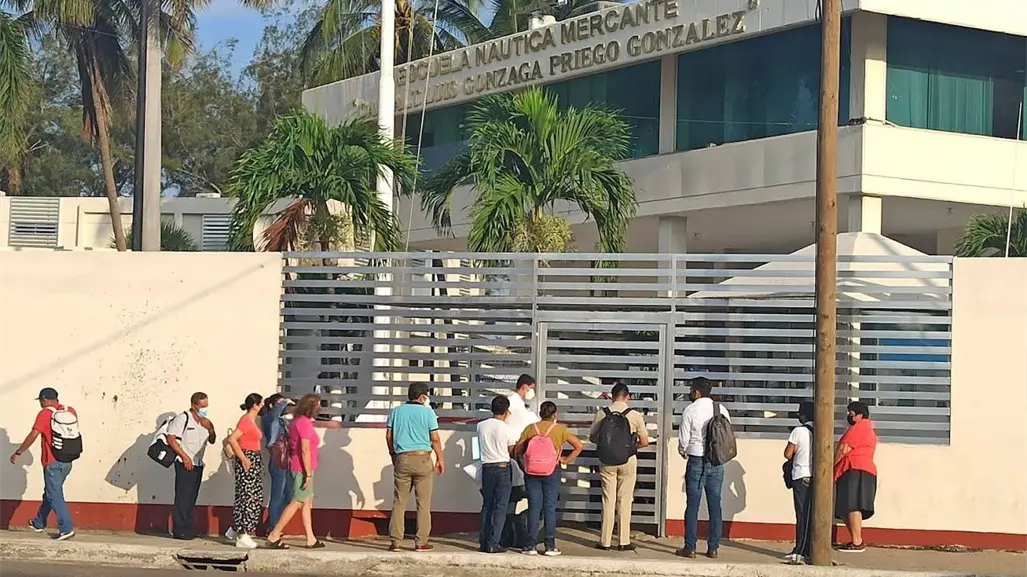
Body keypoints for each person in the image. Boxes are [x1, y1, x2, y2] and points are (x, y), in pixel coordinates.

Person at [9, 387, 79, 540]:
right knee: (51, 491)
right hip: (67, 461)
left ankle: (66, 528)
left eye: (40, 401)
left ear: (44, 399)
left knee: (55, 494)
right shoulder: (70, 411)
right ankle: (38, 522)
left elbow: (34, 434)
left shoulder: (45, 414)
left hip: (52, 462)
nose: (40, 404)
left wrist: (18, 452)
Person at [515, 401, 583, 557]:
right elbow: (579, 446)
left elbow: (518, 449)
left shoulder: (531, 428)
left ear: (540, 413)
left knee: (534, 507)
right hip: (552, 470)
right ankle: (550, 546)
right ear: (555, 415)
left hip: (532, 472)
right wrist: (566, 460)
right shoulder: (560, 430)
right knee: (549, 508)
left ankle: (530, 545)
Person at [590, 382, 649, 552]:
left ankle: (605, 541)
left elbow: (593, 437)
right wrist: (629, 447)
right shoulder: (635, 415)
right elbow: (644, 442)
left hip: (606, 461)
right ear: (627, 397)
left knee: (608, 500)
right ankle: (623, 541)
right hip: (628, 460)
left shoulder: (602, 413)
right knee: (624, 500)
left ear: (612, 395)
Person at [676, 377, 731, 559]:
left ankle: (689, 547)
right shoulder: (721, 409)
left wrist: (683, 451)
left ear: (696, 392)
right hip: (716, 462)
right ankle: (713, 547)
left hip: (696, 460)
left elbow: (683, 440)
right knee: (715, 504)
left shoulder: (690, 410)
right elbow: (727, 435)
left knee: (693, 505)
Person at [387, 382, 444, 552]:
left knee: (399, 502)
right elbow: (434, 438)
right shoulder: (428, 413)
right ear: (422, 397)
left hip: (402, 459)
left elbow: (389, 436)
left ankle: (395, 541)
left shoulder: (396, 412)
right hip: (423, 459)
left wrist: (393, 455)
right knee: (423, 504)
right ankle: (421, 542)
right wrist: (440, 458)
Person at [266, 393, 325, 549]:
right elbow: (304, 449)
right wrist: (308, 474)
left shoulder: (296, 421)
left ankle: (311, 538)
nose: (319, 409)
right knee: (297, 501)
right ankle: (274, 534)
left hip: (300, 466)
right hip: (302, 468)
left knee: (307, 502)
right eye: (317, 406)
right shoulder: (304, 423)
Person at [166, 392, 216, 541]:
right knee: (183, 497)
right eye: (202, 406)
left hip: (198, 463)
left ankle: (188, 527)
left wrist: (211, 428)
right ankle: (179, 529)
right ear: (194, 405)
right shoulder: (183, 418)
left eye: (206, 406)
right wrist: (184, 456)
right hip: (185, 463)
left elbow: (212, 440)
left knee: (191, 498)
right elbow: (171, 439)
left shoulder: (205, 421)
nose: (204, 409)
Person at [476, 395, 518, 553]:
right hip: (502, 468)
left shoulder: (481, 426)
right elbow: (511, 450)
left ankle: (483, 541)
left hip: (487, 467)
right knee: (501, 507)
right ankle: (494, 542)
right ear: (506, 411)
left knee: (487, 505)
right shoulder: (507, 429)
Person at [834, 401, 878, 553]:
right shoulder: (867, 429)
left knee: (852, 504)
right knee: (847, 506)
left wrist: (831, 465)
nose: (848, 416)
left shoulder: (860, 427)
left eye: (850, 413)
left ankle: (857, 541)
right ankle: (855, 539)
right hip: (858, 469)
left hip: (854, 468)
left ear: (859, 415)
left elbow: (843, 449)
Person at [225, 393, 264, 549]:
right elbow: (232, 438)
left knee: (250, 494)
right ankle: (243, 532)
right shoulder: (246, 421)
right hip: (248, 457)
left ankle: (235, 529)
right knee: (248, 496)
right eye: (260, 404)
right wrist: (244, 458)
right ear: (255, 405)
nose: (261, 407)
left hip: (253, 457)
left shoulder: (251, 421)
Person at [783, 401, 814, 563]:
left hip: (801, 476)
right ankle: (809, 549)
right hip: (816, 478)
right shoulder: (820, 430)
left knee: (801, 515)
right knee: (810, 515)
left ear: (803, 416)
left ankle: (800, 550)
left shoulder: (799, 431)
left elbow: (788, 453)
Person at [259, 394, 292, 532]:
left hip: (286, 460)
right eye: (278, 404)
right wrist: (284, 403)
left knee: (289, 496)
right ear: (272, 406)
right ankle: (273, 527)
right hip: (277, 460)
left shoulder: (281, 421)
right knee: (277, 496)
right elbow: (274, 415)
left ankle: (275, 523)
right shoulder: (268, 419)